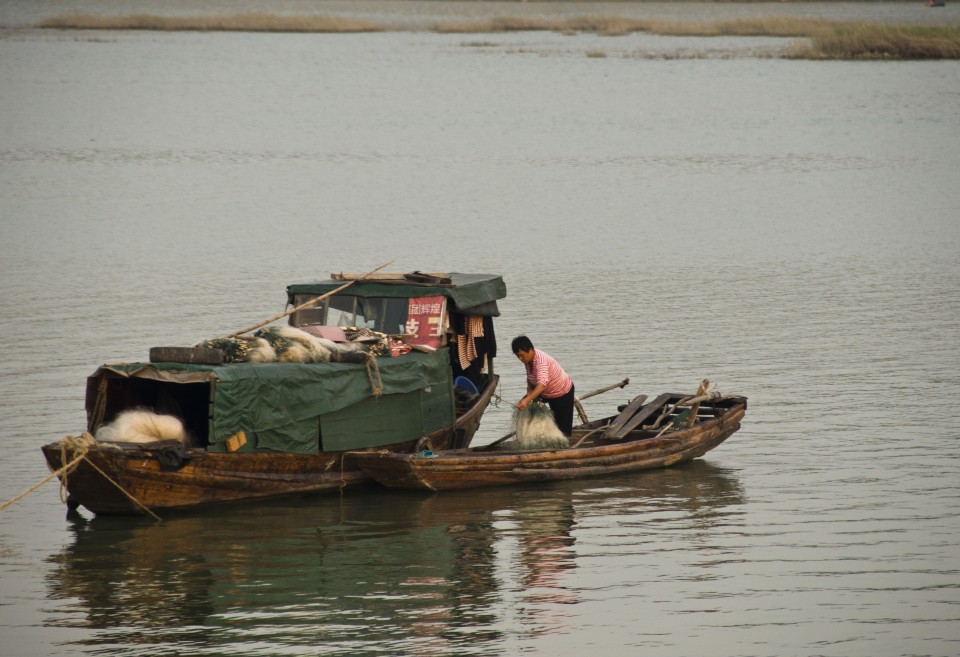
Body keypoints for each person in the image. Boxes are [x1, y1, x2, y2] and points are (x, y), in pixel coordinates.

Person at [511, 335, 575, 437]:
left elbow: (542, 385)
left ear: (530, 350)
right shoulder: (528, 360)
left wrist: (527, 400)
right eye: (518, 356)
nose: (520, 358)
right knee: (527, 408)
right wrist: (529, 392)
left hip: (562, 393)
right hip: (546, 393)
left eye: (522, 355)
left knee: (563, 431)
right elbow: (530, 377)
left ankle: (563, 449)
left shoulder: (540, 362)